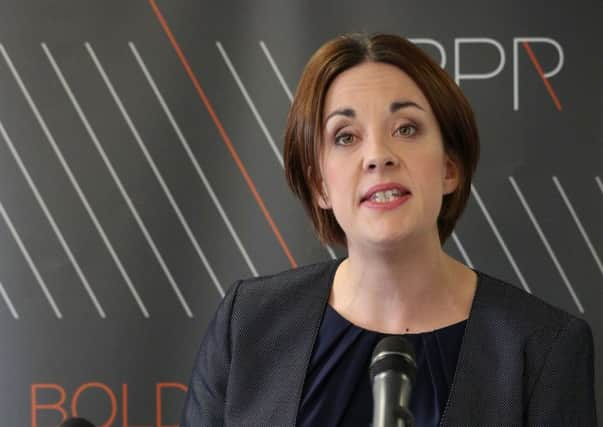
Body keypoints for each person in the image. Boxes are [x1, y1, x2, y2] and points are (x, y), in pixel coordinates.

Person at [181, 33, 597, 426]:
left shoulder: (542, 347)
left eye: (406, 129)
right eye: (345, 137)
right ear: (319, 185)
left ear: (450, 169)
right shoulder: (248, 322)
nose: (378, 155)